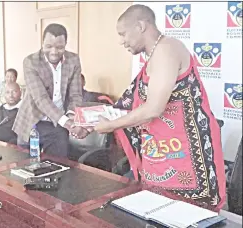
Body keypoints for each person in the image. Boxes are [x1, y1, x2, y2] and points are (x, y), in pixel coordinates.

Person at [94, 5, 226, 211]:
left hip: (187, 157)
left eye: (123, 34)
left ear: (140, 26)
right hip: (162, 154)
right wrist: (87, 123)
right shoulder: (154, 56)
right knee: (157, 211)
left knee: (186, 215)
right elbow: (128, 104)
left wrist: (111, 125)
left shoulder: (167, 49)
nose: (121, 41)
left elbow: (154, 108)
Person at [13, 23, 89, 157]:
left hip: (57, 126)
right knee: (25, 169)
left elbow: (76, 95)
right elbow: (40, 99)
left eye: (59, 47)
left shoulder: (73, 60)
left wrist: (72, 116)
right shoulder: (31, 62)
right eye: (48, 46)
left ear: (65, 44)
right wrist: (67, 123)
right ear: (42, 43)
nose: (54, 52)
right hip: (32, 123)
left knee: (58, 169)